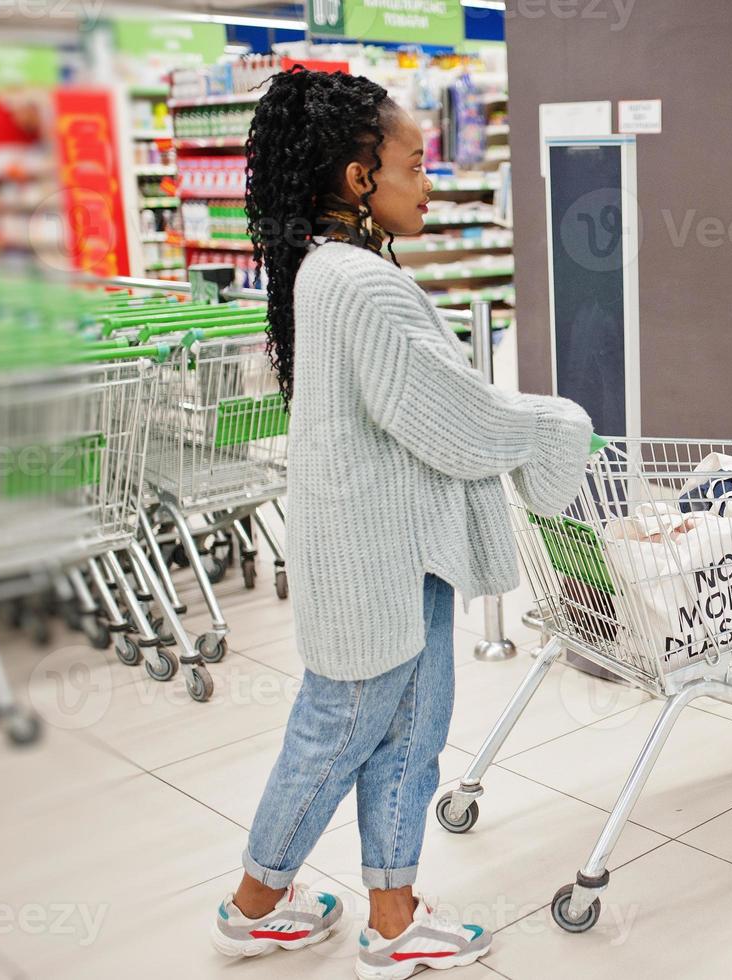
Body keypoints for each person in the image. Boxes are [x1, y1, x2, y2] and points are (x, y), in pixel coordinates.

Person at [206, 68, 592, 978]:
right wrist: (557, 421)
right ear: (357, 178)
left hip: (391, 545)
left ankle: (393, 914)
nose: (430, 183)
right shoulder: (358, 282)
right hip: (376, 555)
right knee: (341, 729)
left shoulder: (335, 268)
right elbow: (453, 419)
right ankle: (251, 905)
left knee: (410, 733)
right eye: (414, 165)